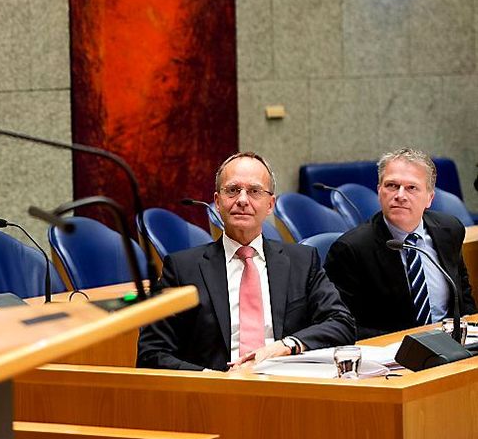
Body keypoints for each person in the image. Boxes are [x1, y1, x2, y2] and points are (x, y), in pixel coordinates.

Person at [138, 152, 355, 371]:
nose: (242, 200)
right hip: (213, 394)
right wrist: (211, 379)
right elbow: (151, 352)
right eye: (232, 190)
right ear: (217, 201)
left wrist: (285, 346)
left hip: (287, 388)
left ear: (270, 205)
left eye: (254, 191)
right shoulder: (182, 269)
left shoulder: (302, 261)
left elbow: (341, 323)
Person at [325, 148, 476, 339]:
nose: (400, 195)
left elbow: (463, 294)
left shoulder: (449, 229)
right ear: (379, 191)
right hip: (394, 353)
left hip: (453, 343)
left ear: (430, 198)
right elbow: (344, 323)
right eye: (392, 186)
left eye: (412, 188)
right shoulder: (351, 249)